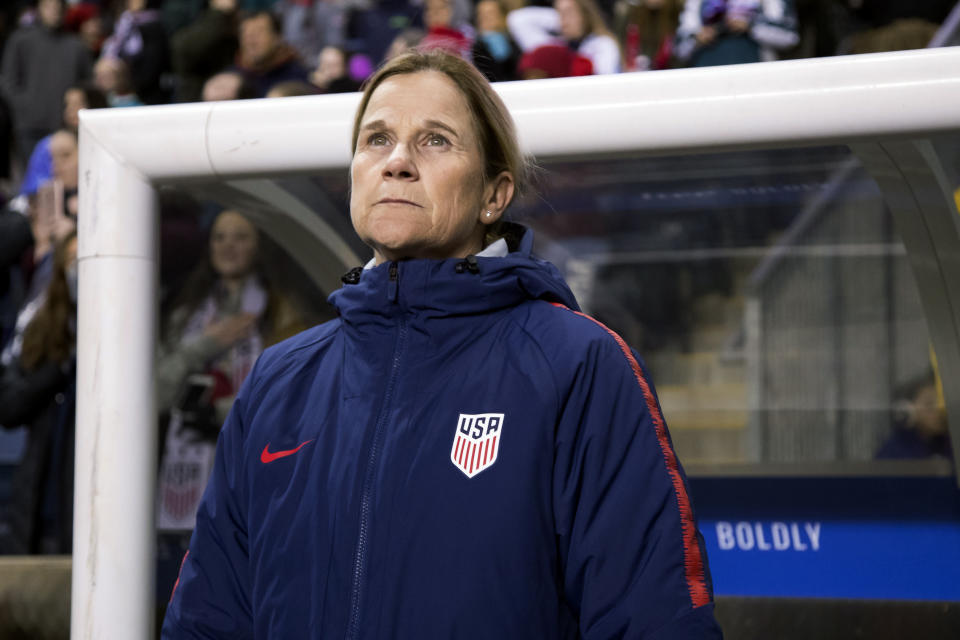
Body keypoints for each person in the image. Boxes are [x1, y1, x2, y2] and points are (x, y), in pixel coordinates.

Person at [162, 50, 720, 638]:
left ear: (494, 195)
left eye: (434, 141)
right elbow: (207, 619)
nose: (397, 161)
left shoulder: (578, 363)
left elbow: (654, 619)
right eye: (377, 138)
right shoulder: (279, 380)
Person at [155, 209, 303, 532]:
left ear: (258, 246)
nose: (228, 246)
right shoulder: (184, 313)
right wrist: (206, 344)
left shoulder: (282, 311)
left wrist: (219, 411)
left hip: (253, 470)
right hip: (183, 474)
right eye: (219, 237)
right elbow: (155, 395)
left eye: (240, 237)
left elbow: (290, 395)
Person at [0, 232, 78, 554]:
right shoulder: (42, 325)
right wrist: (59, 366)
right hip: (39, 498)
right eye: (73, 261)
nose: (80, 272)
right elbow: (9, 408)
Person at [0, 0, 92, 163]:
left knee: (65, 179)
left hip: (65, 127)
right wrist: (24, 107)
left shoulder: (76, 45)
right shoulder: (21, 40)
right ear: (39, 9)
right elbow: (7, 80)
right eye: (49, 6)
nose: (54, 11)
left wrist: (73, 110)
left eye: (58, 7)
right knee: (35, 182)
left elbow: (86, 84)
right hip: (30, 128)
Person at [508, 0, 622, 75]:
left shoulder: (603, 44)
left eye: (569, 12)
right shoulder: (556, 47)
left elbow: (604, 78)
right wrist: (560, 19)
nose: (562, 19)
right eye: (559, 13)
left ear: (585, 14)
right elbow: (517, 19)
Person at [673, 0, 799, 67]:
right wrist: (698, 37)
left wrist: (750, 26)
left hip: (754, 73)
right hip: (708, 73)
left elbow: (790, 36)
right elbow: (679, 47)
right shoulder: (696, 2)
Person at [231, 10, 309, 98]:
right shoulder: (230, 77)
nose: (251, 41)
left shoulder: (298, 78)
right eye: (245, 34)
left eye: (258, 33)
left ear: (277, 37)